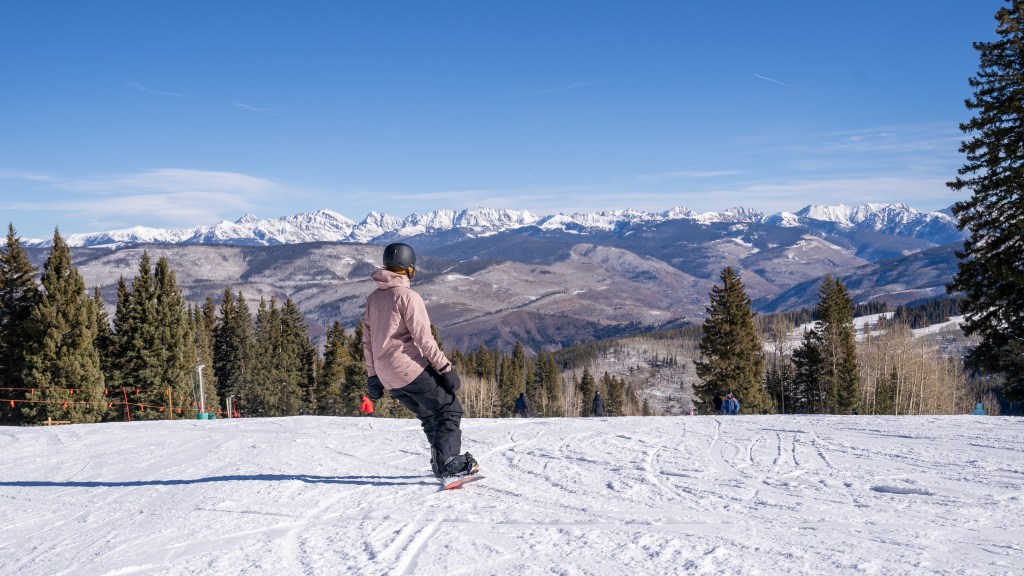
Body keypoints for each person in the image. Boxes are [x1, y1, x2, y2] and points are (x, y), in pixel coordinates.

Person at [362, 242, 479, 483]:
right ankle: (448, 463)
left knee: (428, 413)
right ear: (409, 268)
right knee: (449, 408)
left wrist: (373, 376)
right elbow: (423, 338)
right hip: (406, 366)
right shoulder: (407, 296)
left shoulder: (374, 299)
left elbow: (367, 341)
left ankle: (441, 462)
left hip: (386, 374)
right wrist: (446, 368)